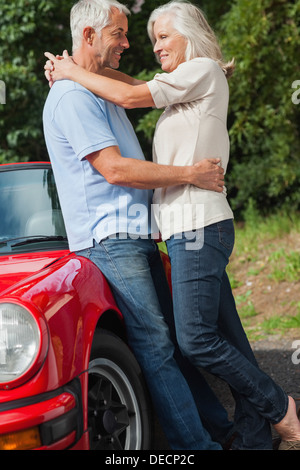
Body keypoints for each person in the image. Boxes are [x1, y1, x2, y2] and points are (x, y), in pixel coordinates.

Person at [45, 0, 300, 450]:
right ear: (89, 36)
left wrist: (71, 70)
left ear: (189, 34)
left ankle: (277, 410)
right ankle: (249, 436)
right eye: (125, 35)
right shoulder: (85, 94)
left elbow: (129, 93)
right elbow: (122, 133)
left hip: (194, 226)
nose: (143, 45)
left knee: (193, 341)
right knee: (201, 341)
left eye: (161, 36)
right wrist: (71, 74)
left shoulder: (199, 70)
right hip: (162, 232)